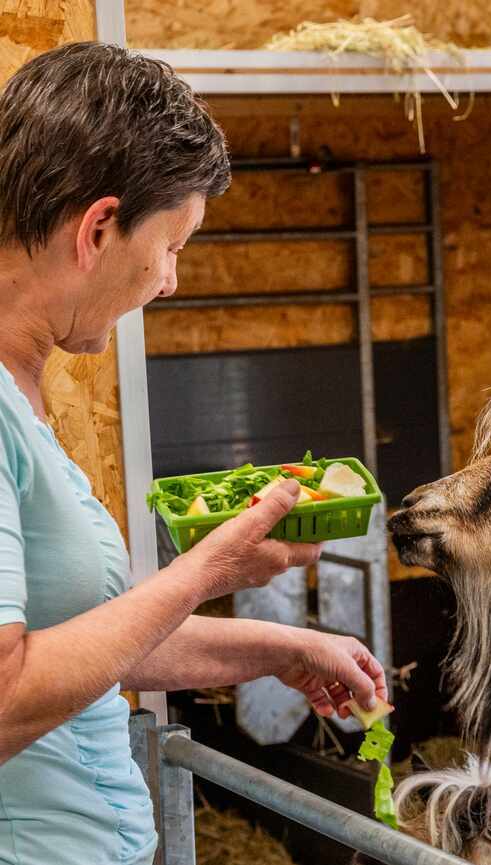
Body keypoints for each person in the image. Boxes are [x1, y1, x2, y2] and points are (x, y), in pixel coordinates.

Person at [0, 42, 388, 865]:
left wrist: (281, 648)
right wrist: (209, 571)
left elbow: (80, 646)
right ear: (99, 228)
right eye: (170, 245)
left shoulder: (23, 398)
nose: (170, 280)